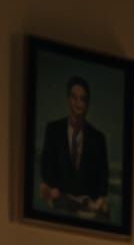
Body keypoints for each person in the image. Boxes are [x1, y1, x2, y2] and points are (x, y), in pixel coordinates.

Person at [38, 75, 110, 217]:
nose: (78, 104)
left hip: (87, 207)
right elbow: (46, 169)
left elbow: (102, 181)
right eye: (74, 98)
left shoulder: (98, 139)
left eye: (83, 99)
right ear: (68, 99)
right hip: (59, 204)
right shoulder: (53, 130)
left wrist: (92, 201)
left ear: (87, 103)